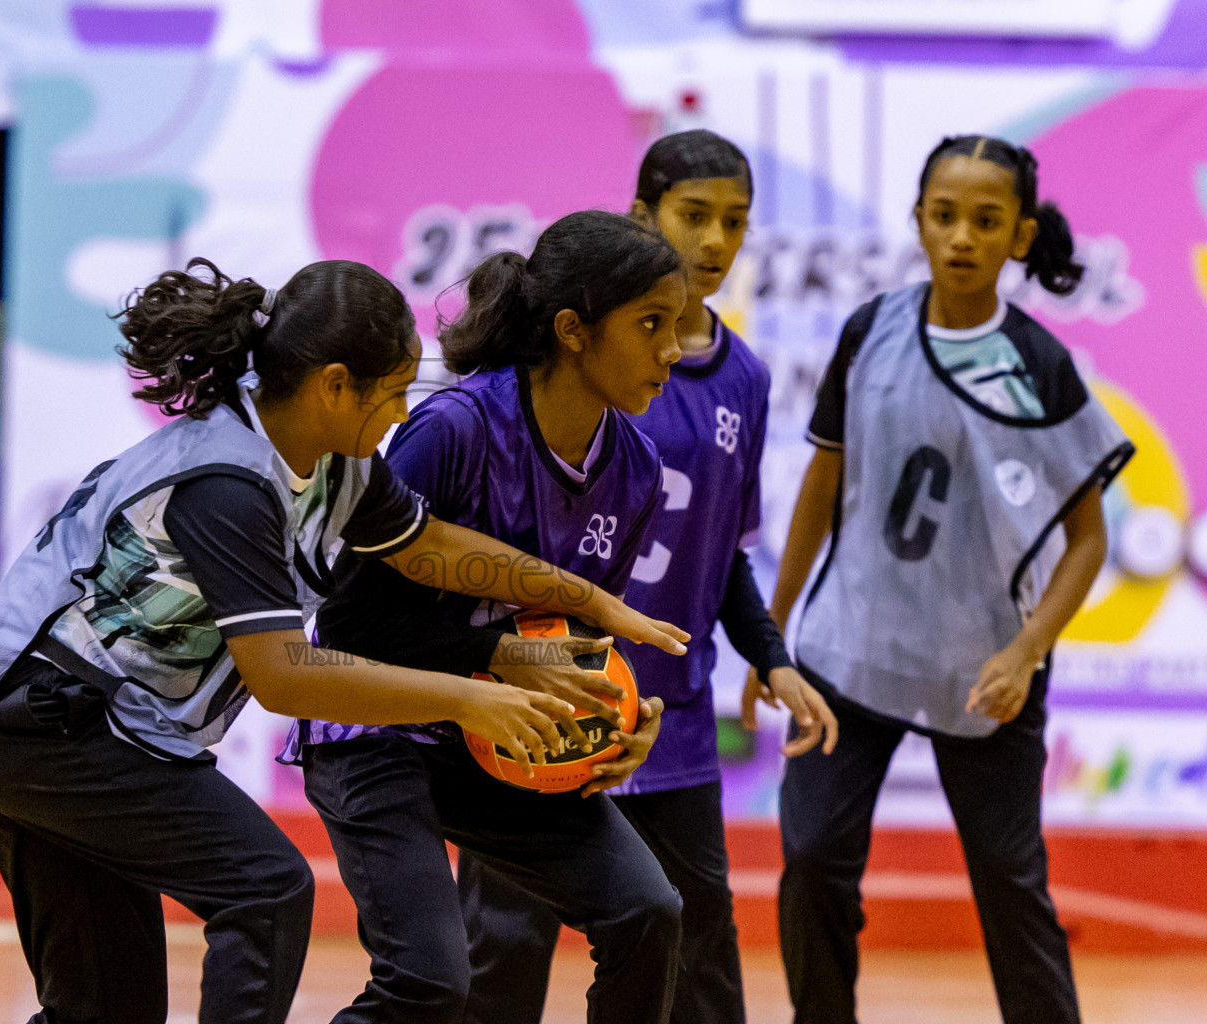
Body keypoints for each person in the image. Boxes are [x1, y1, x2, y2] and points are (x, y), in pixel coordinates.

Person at [0, 256, 687, 1024]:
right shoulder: (224, 482)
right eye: (393, 392)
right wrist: (468, 698)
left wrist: (587, 596)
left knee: (103, 1009)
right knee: (267, 887)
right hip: (34, 717)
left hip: (73, 721)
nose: (401, 416)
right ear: (335, 385)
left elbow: (432, 545)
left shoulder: (338, 461)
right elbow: (286, 678)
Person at [455, 130, 839, 1024]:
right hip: (548, 699)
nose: (713, 242)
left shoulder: (742, 377)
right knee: (504, 945)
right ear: (642, 217)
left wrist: (773, 657)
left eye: (734, 223)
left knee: (696, 954)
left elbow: (726, 549)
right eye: (693, 216)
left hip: (674, 717)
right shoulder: (578, 369)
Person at [757, 135, 1134, 1024]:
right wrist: (769, 637)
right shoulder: (870, 332)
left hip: (984, 670)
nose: (962, 236)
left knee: (1010, 885)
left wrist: (1026, 652)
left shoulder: (1040, 366)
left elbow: (1087, 541)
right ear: (919, 221)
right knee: (810, 858)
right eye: (944, 215)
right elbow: (821, 482)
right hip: (852, 650)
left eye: (986, 220)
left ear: (1019, 234)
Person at [286, 210, 693, 1024]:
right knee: (432, 981)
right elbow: (350, 629)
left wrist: (619, 719)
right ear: (574, 330)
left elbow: (568, 645)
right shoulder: (453, 430)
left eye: (676, 326)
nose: (672, 351)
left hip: (493, 739)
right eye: (651, 326)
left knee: (648, 911)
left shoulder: (639, 472)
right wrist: (492, 655)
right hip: (380, 731)